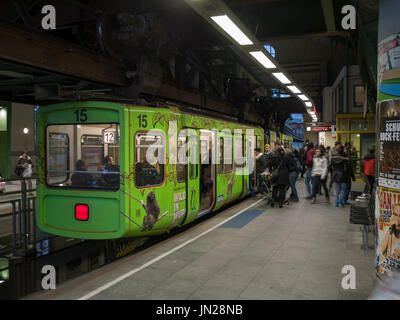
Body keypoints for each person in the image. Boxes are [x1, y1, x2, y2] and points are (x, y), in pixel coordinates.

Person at [330, 142, 349, 207]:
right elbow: (347, 166)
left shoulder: (334, 157)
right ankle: (341, 199)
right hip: (343, 174)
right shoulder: (345, 157)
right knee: (343, 189)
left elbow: (330, 166)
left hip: (335, 174)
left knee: (336, 189)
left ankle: (336, 202)